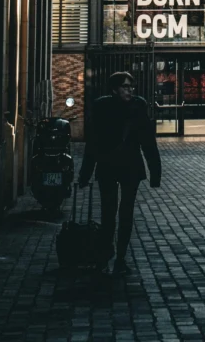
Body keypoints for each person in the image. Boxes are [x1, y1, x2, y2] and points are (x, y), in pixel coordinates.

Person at [78, 72, 161, 274]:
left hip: (130, 167)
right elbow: (93, 143)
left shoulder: (138, 107)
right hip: (108, 165)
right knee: (108, 213)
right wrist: (85, 173)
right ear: (114, 89)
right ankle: (105, 254)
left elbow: (148, 141)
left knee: (126, 213)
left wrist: (155, 172)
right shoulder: (102, 108)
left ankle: (121, 258)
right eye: (125, 87)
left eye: (131, 86)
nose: (129, 90)